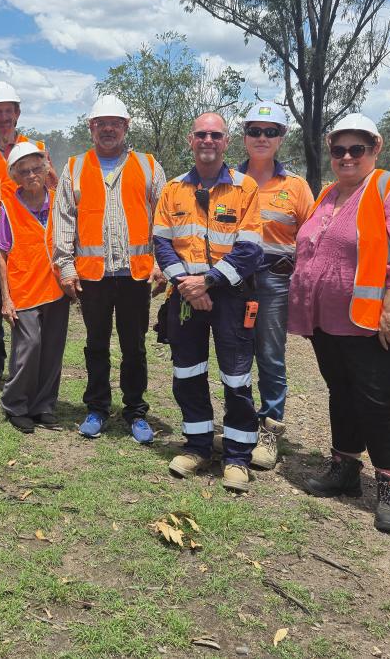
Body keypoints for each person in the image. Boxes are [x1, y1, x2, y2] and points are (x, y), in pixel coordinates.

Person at [288, 113, 390, 534]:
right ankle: (345, 468)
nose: (347, 156)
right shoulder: (328, 194)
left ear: (375, 149)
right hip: (327, 321)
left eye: (358, 149)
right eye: (339, 150)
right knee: (341, 393)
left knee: (379, 403)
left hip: (375, 323)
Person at [153, 112, 264, 493]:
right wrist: (187, 285)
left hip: (231, 296)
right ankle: (198, 446)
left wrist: (209, 282)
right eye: (201, 134)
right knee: (187, 373)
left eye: (215, 135)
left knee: (236, 377)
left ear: (226, 141)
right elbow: (162, 243)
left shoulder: (245, 187)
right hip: (185, 298)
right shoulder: (172, 189)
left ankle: (236, 456)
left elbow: (251, 249)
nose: (208, 141)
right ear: (190, 139)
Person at [52, 94, 166, 444]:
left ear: (127, 126)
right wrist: (66, 268)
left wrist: (162, 264)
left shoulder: (149, 166)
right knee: (95, 343)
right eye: (101, 123)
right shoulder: (74, 168)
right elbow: (63, 220)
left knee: (134, 346)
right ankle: (97, 408)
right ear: (91, 127)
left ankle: (135, 411)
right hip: (92, 277)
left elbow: (165, 220)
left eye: (115, 123)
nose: (108, 129)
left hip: (136, 275)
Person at [236, 103, 313, 470]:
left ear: (281, 138)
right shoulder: (228, 181)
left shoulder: (296, 187)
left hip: (275, 280)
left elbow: (311, 240)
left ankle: (269, 429)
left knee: (269, 356)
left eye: (271, 132)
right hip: (233, 280)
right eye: (255, 131)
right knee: (235, 355)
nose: (262, 138)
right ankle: (240, 425)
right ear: (245, 136)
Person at [0, 81, 54, 398]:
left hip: (32, 245)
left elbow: (54, 185)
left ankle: (29, 366)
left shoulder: (36, 147)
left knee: (32, 307)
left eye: (8, 111)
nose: (3, 117)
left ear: (17, 113)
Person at [0, 143, 68, 433]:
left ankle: (44, 406)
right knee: (29, 347)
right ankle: (15, 404)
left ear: (46, 169)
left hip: (57, 289)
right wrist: (5, 299)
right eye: (24, 171)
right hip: (24, 290)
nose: (32, 175)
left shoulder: (60, 202)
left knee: (52, 350)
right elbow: (0, 253)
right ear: (16, 177)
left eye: (36, 168)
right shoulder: (8, 206)